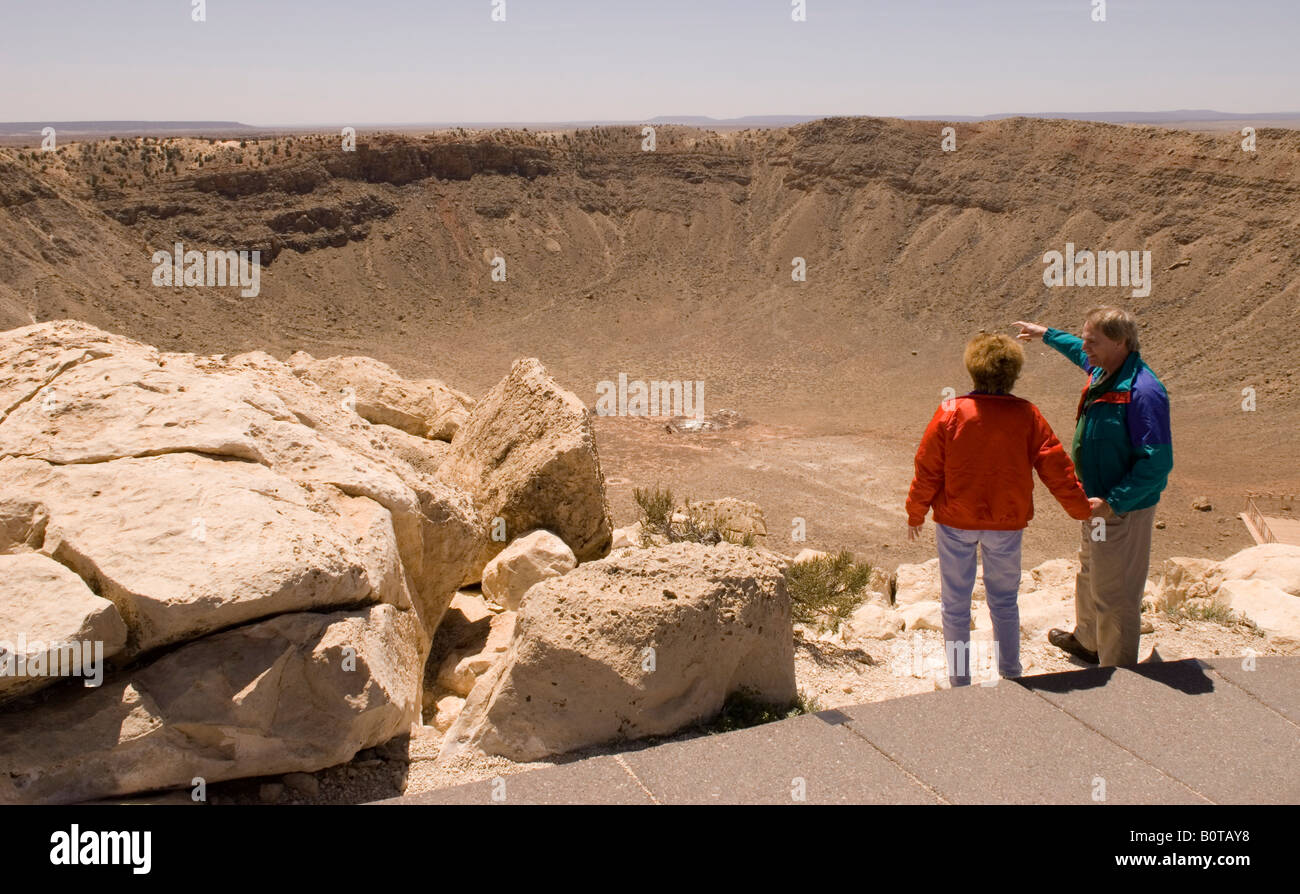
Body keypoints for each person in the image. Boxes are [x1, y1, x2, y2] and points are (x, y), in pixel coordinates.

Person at [906, 333, 1092, 687]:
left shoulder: (950, 412)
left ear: (973, 370)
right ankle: (1011, 675)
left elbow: (927, 467)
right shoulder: (1027, 414)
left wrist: (916, 513)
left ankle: (960, 681)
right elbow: (1056, 466)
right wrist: (1081, 508)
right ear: (1013, 374)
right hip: (1006, 524)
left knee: (956, 605)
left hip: (956, 523)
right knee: (1005, 601)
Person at [1014, 307, 1172, 667]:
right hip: (1095, 505)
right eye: (1085, 339)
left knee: (1115, 594)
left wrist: (1114, 503)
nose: (1085, 347)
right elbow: (1075, 349)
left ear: (1120, 342)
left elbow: (1158, 464)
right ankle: (1089, 641)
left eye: (1092, 341)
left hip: (1121, 511)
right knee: (1091, 574)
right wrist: (1046, 333)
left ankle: (1116, 674)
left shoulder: (1143, 392)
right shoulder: (1105, 370)